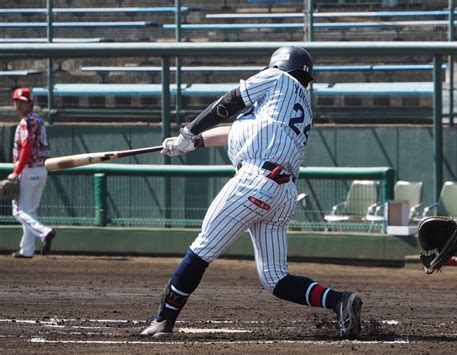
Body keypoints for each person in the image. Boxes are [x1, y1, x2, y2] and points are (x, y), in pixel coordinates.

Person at [141, 46, 363, 339]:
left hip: (254, 181)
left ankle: (163, 319)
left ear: (278, 65)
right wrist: (190, 142)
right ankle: (339, 300)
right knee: (275, 278)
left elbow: (230, 101)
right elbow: (234, 131)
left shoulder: (277, 79)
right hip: (282, 194)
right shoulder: (295, 107)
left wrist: (188, 130)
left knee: (202, 249)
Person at [8, 87, 55, 259]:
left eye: (22, 102)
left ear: (30, 103)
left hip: (28, 170)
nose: (19, 105)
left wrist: (16, 172)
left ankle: (44, 232)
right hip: (42, 170)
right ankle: (26, 250)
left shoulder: (25, 122)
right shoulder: (38, 119)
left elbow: (27, 148)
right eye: (16, 102)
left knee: (18, 211)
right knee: (30, 210)